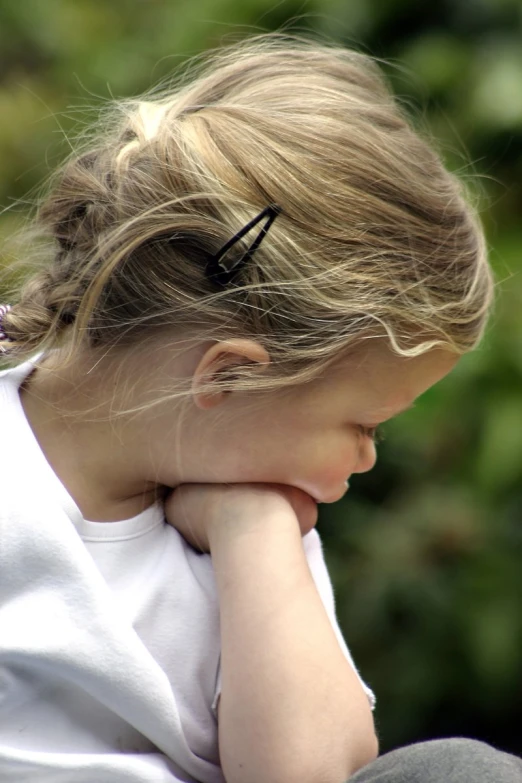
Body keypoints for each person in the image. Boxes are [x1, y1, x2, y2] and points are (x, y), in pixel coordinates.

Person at [0, 31, 515, 783]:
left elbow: (307, 774)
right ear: (232, 376)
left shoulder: (257, 514)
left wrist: (255, 530)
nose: (368, 458)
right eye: (364, 425)